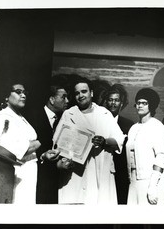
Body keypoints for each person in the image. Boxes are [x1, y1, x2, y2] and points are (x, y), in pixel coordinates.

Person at [54, 76, 125, 204]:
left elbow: (119, 141)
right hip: (76, 172)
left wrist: (105, 141)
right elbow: (57, 144)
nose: (80, 95)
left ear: (91, 93)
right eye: (77, 93)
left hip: (99, 169)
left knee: (99, 212)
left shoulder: (104, 114)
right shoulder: (69, 114)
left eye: (84, 91)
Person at [0, 83, 41, 204]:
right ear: (6, 96)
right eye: (18, 92)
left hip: (27, 172)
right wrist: (35, 144)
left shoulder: (18, 116)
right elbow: (8, 150)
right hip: (15, 173)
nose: (23, 95)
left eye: (25, 92)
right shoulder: (3, 117)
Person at [126, 88, 164, 205]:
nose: (140, 106)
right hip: (134, 180)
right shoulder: (133, 128)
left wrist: (153, 186)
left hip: (151, 180)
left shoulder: (157, 127)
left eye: (144, 103)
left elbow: (161, 157)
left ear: (152, 105)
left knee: (150, 220)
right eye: (138, 103)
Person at [28, 84, 69, 204]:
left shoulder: (63, 119)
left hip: (54, 182)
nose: (67, 101)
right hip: (35, 179)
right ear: (52, 99)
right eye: (63, 97)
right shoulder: (32, 117)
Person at [105, 83, 134, 204]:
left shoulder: (128, 125)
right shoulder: (99, 120)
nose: (113, 103)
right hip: (103, 170)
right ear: (106, 102)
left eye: (116, 100)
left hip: (121, 173)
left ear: (121, 103)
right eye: (110, 100)